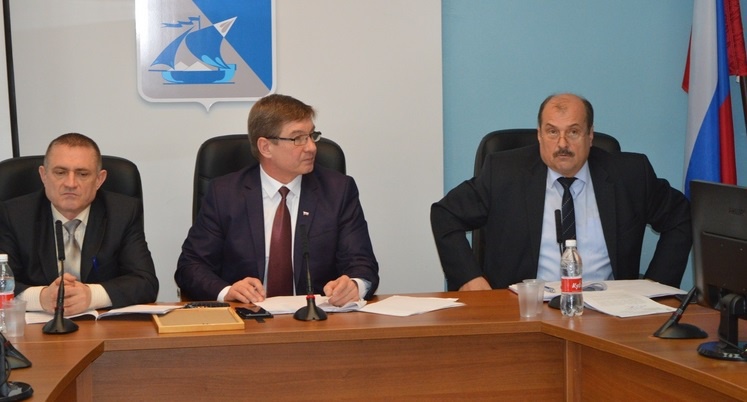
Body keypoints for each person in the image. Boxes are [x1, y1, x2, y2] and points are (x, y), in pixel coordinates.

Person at [431, 93, 692, 291]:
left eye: (574, 132)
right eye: (552, 132)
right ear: (539, 135)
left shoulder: (630, 175)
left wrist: (657, 286)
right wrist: (470, 278)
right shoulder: (504, 173)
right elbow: (445, 214)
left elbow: (681, 215)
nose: (562, 144)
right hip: (525, 311)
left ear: (590, 136)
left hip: (607, 313)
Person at [176, 94, 379, 306]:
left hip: (317, 318)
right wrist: (228, 292)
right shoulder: (225, 194)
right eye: (298, 138)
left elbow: (362, 264)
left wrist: (355, 285)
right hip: (247, 316)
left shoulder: (338, 191)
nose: (311, 147)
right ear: (265, 147)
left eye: (312, 135)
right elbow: (190, 266)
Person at [0, 133, 159, 315]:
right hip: (36, 328)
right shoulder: (14, 215)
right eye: (60, 172)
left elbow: (145, 282)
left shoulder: (123, 213)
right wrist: (41, 297)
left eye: (82, 174)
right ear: (43, 175)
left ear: (99, 179)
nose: (71, 183)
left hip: (103, 327)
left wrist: (91, 295)